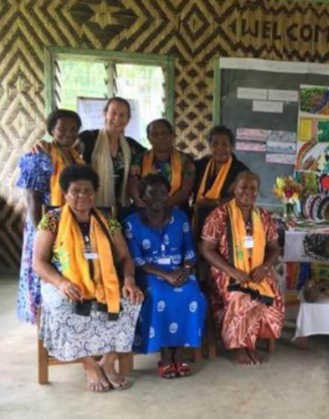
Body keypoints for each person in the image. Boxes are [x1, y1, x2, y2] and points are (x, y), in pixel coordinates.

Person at [32, 165, 143, 392]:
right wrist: (61, 283)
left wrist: (129, 280)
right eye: (76, 191)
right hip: (63, 281)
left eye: (88, 191)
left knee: (133, 301)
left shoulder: (107, 221)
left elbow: (125, 258)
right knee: (63, 306)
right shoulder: (52, 220)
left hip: (104, 280)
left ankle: (108, 362)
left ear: (96, 193)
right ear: (65, 194)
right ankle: (89, 364)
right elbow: (39, 262)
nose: (82, 196)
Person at [123, 174, 207, 378]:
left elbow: (190, 251)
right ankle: (166, 355)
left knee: (193, 296)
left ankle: (179, 354)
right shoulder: (131, 223)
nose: (158, 197)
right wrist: (165, 275)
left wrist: (185, 270)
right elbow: (136, 259)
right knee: (159, 296)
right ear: (143, 196)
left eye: (162, 193)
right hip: (150, 273)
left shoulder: (180, 218)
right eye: (152, 193)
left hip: (179, 271)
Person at [200, 171, 283, 365]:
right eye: (243, 187)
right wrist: (232, 271)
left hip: (256, 272)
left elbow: (274, 248)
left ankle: (250, 343)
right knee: (242, 297)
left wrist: (264, 267)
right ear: (234, 189)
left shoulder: (263, 217)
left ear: (257, 192)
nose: (248, 192)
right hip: (225, 272)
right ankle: (240, 347)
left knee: (273, 294)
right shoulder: (219, 216)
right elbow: (206, 249)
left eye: (253, 188)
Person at [16, 109, 84, 325]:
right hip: (45, 222)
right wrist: (40, 232)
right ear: (51, 130)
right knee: (44, 266)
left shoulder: (75, 156)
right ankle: (43, 323)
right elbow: (32, 197)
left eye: (73, 129)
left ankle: (62, 319)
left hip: (67, 220)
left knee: (62, 267)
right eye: (62, 128)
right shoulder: (39, 156)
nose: (68, 133)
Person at [78, 97, 146, 207]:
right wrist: (44, 146)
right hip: (89, 205)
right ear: (105, 113)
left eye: (122, 115)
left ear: (128, 119)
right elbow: (65, 151)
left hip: (120, 206)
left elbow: (152, 157)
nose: (117, 118)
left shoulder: (131, 146)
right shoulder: (88, 139)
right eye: (113, 113)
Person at [127, 118, 195, 210]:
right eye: (155, 134)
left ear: (172, 136)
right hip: (144, 208)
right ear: (149, 138)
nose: (160, 136)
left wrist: (162, 207)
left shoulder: (186, 160)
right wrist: (140, 202)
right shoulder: (139, 159)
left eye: (165, 133)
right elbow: (133, 185)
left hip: (176, 208)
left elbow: (185, 191)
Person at [194, 125, 249, 204]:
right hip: (198, 214)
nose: (220, 148)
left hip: (227, 215)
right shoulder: (201, 164)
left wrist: (213, 203)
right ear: (210, 146)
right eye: (215, 144)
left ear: (232, 147)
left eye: (224, 144)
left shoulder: (241, 171)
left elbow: (243, 199)